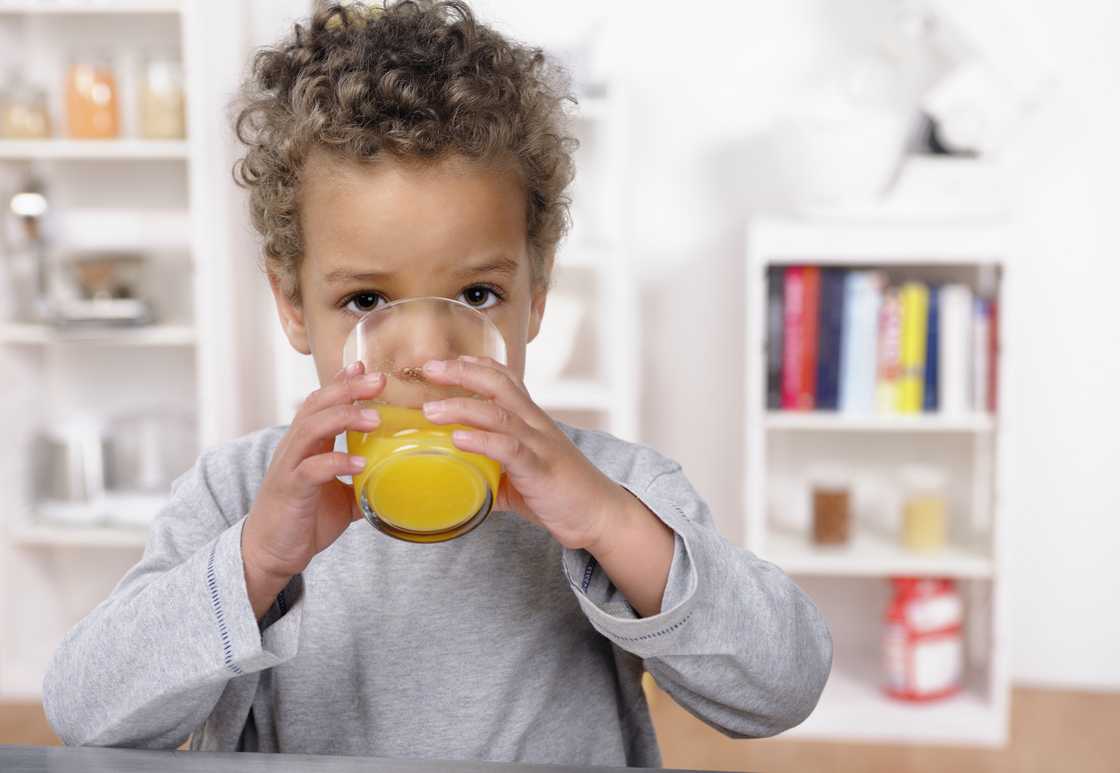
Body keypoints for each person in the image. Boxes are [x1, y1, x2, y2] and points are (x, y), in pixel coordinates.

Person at [43, 2, 831, 766]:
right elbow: (84, 710)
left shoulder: (613, 491)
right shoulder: (241, 495)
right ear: (292, 305)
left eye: (477, 295)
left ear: (537, 296)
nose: (421, 352)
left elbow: (781, 686)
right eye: (366, 301)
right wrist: (255, 561)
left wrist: (608, 525)